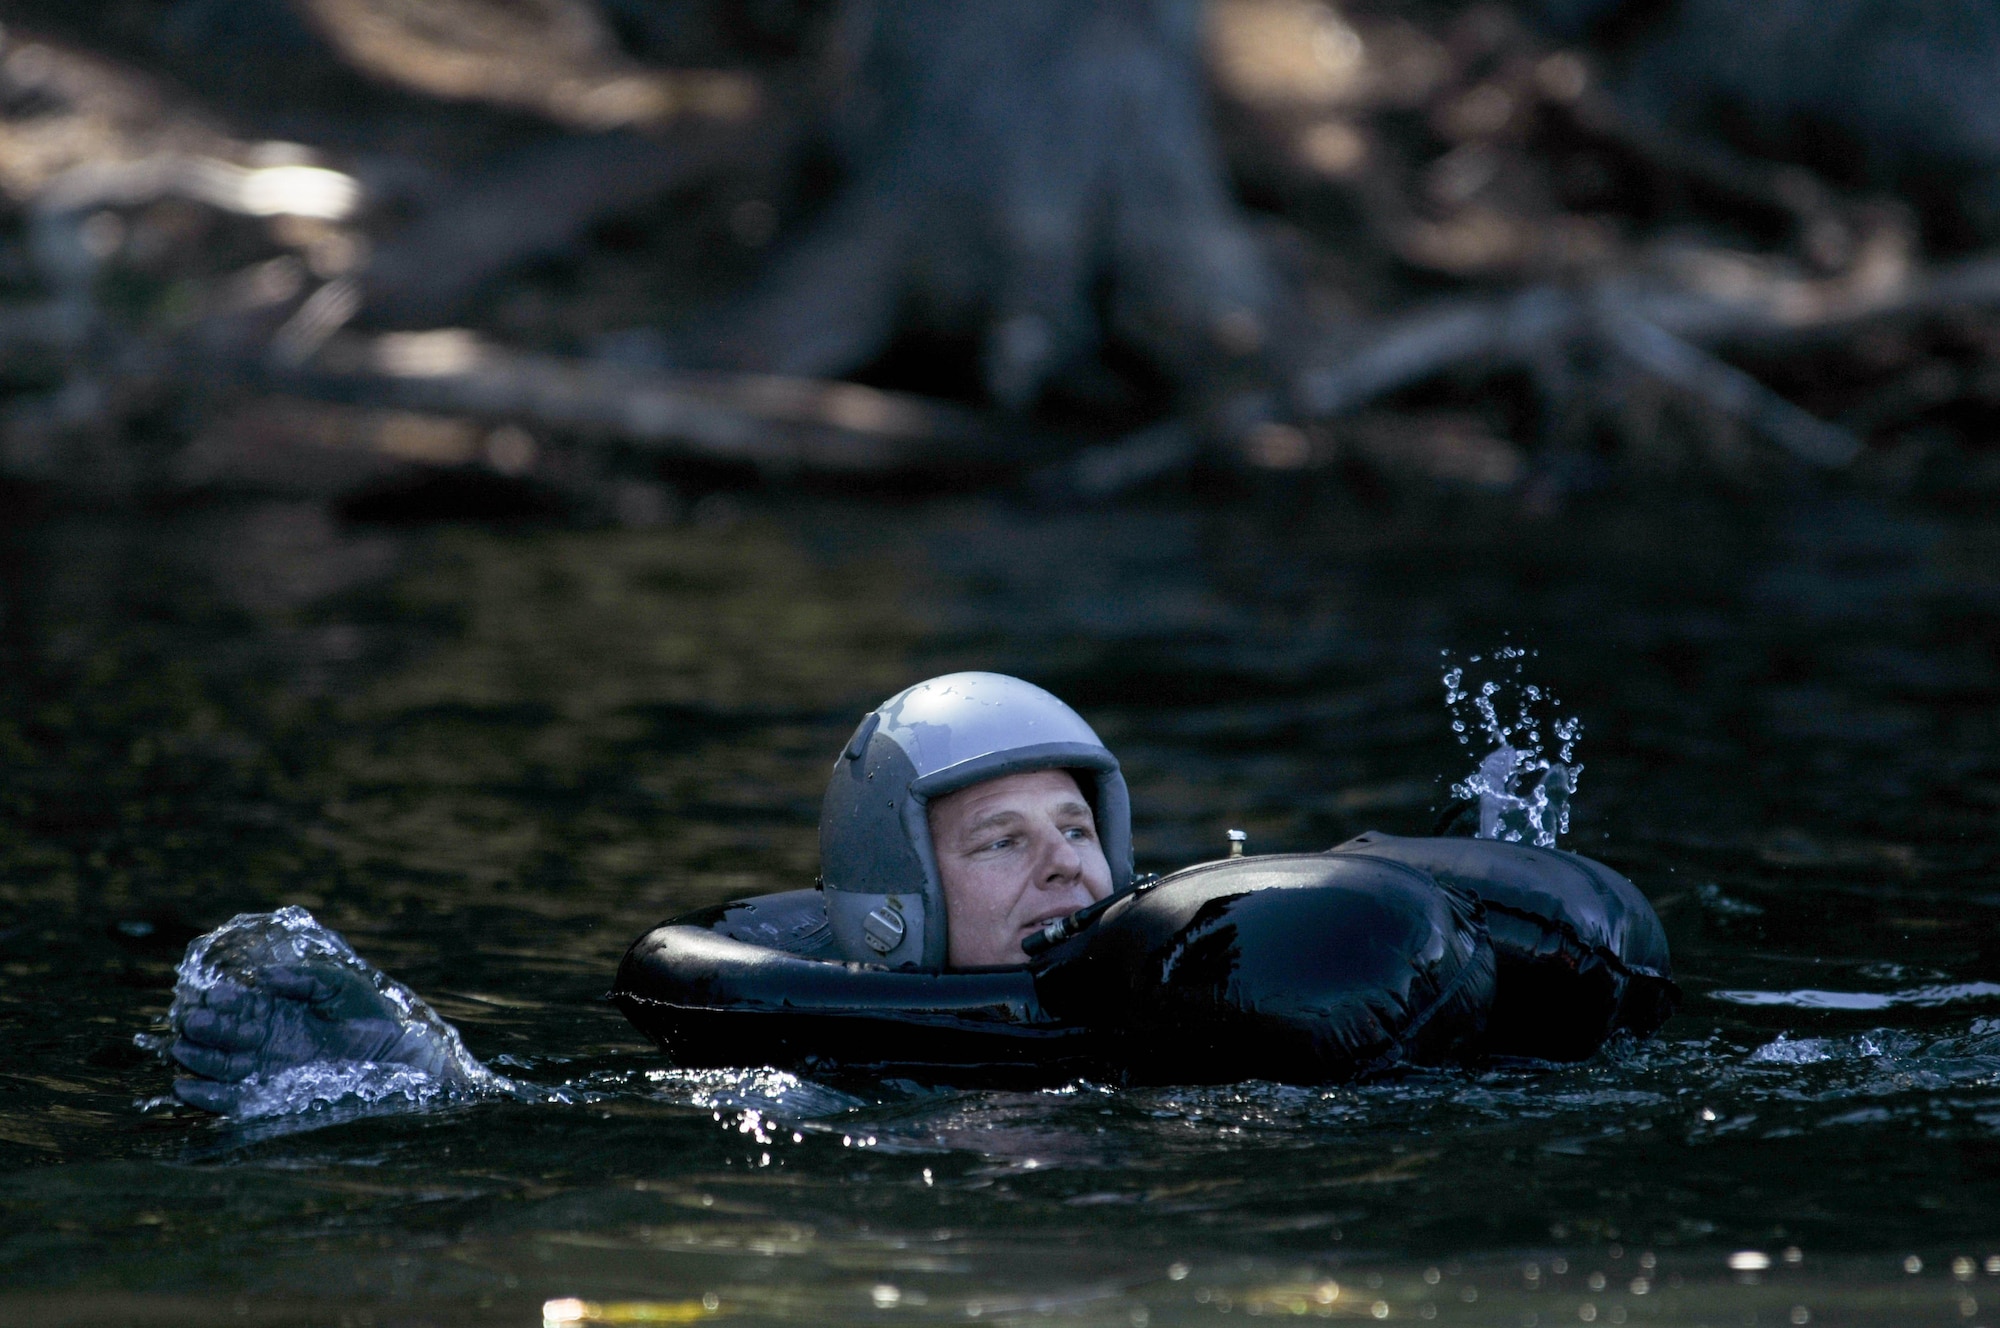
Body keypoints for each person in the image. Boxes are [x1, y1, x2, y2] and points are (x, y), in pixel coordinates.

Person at [166, 672, 1135, 1108]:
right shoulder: (828, 1089)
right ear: (899, 904)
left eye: (1077, 828)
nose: (1063, 864)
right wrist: (454, 1092)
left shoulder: (1197, 998)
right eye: (1000, 840)